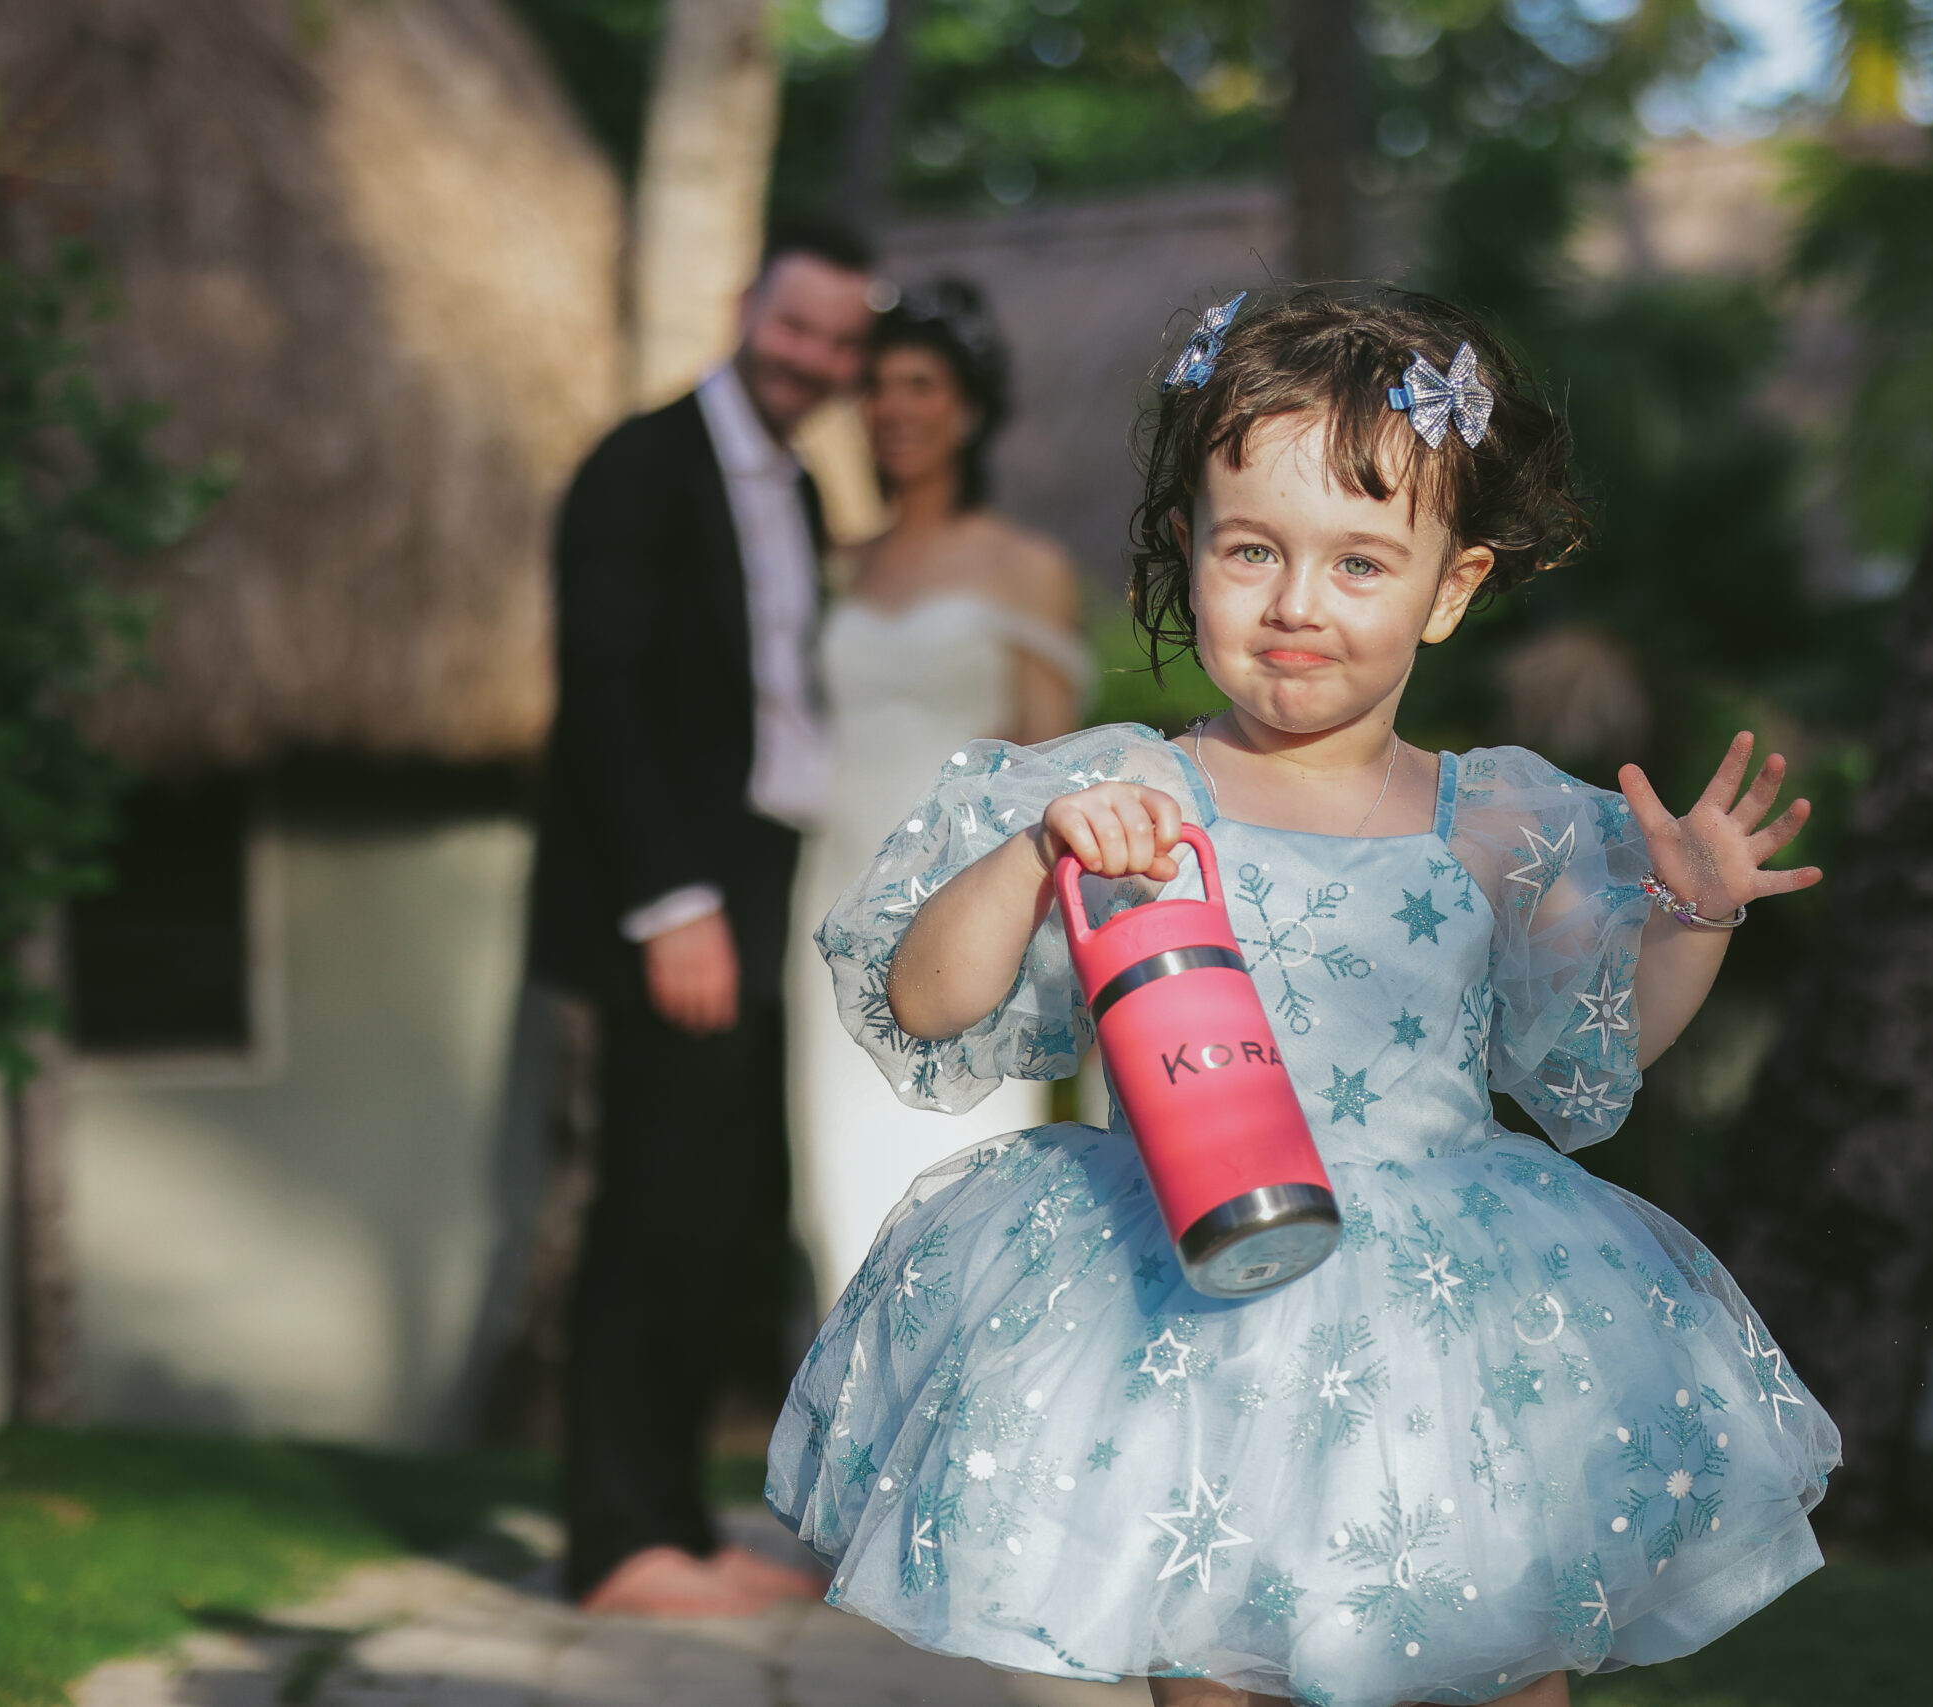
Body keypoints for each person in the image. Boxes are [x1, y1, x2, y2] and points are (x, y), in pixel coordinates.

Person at [766, 289, 1841, 1704]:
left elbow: (1591, 1056)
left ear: (1450, 588)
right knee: (1225, 1666)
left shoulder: (1492, 818)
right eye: (1253, 549)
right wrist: (1040, 855)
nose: (1295, 603)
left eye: (1359, 563)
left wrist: (1691, 916)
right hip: (1197, 1305)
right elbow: (927, 992)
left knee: (1509, 1671)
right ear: (1188, 549)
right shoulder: (1131, 792)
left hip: (1454, 1325)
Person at [527, 219, 875, 1618]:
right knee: (651, 1205)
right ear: (748, 310)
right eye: (798, 327)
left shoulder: (790, 491)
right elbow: (602, 699)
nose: (815, 358)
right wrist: (674, 902)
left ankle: (672, 1515)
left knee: (719, 1211)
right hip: (666, 884)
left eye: (841, 341)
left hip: (760, 866)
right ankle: (613, 1545)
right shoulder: (639, 465)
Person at [791, 277, 1090, 1312]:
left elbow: (1052, 769)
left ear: (967, 406)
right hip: (825, 900)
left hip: (962, 911)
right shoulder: (833, 565)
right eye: (875, 387)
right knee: (836, 1189)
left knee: (956, 1195)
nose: (894, 409)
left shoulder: (1024, 567)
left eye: (919, 384)